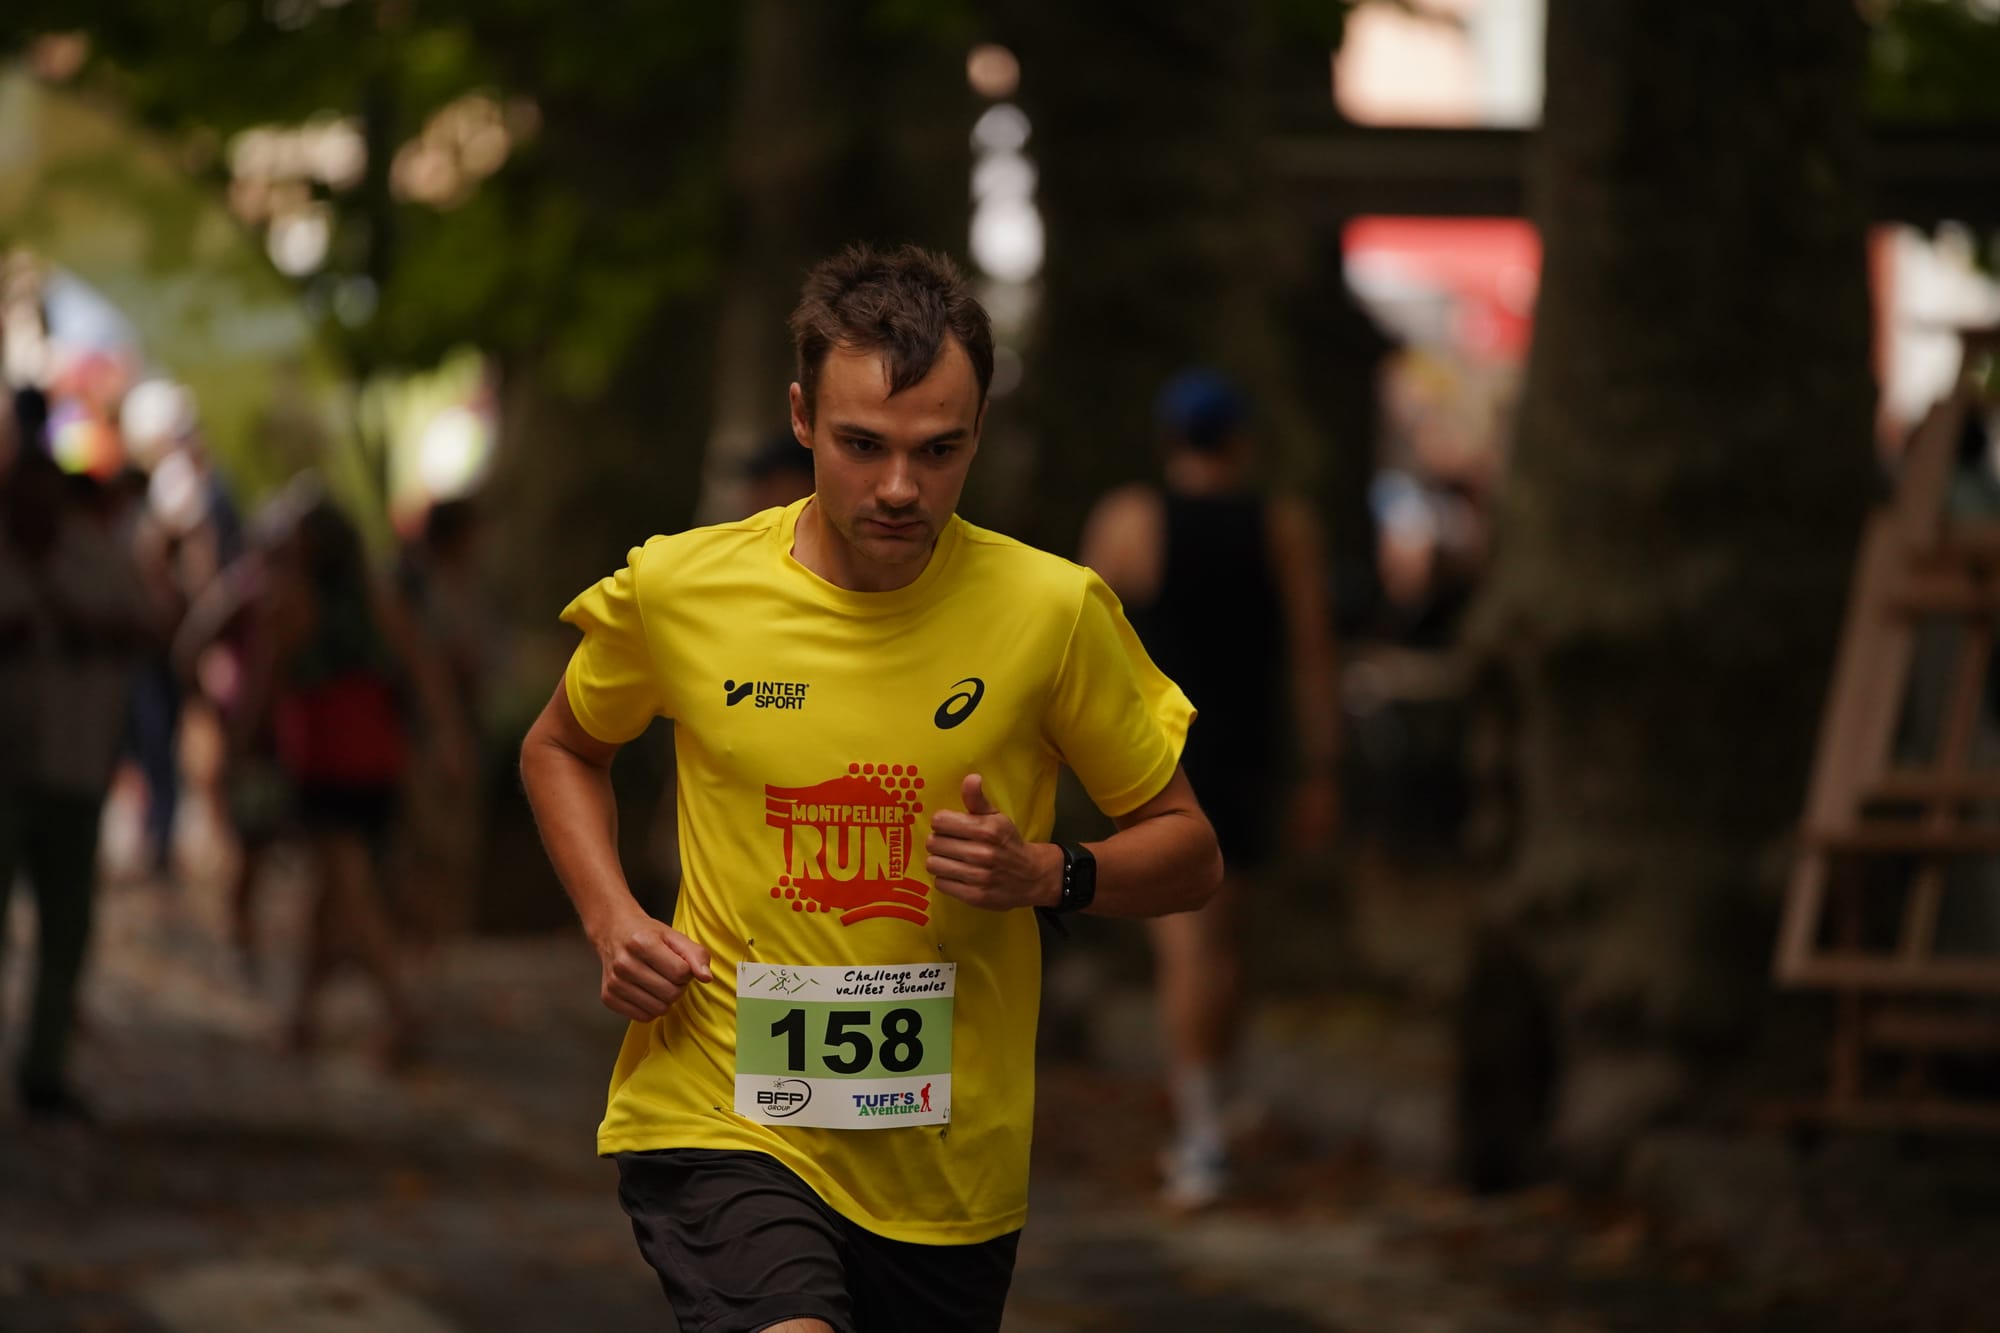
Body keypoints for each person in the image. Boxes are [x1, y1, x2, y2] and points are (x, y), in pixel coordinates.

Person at [520, 244, 1222, 1333]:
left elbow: (1190, 850)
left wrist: (1048, 871)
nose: (899, 487)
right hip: (722, 1112)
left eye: (938, 451)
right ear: (802, 418)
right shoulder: (680, 589)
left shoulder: (1052, 612)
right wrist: (611, 917)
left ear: (978, 432)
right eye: (862, 446)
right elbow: (562, 745)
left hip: (945, 1167)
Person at [1078, 367, 1341, 1211]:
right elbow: (1310, 649)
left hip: (1161, 756)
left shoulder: (1130, 518)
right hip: (1250, 750)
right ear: (1241, 440)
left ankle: (1200, 1125)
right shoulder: (1283, 523)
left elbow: (1075, 644)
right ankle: (1211, 1107)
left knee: (1188, 946)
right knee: (1228, 941)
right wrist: (1322, 765)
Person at [0, 400, 159, 1120]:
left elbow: (145, 625)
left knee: (66, 928)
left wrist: (73, 621)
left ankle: (45, 1066)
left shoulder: (95, 555)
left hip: (72, 762)